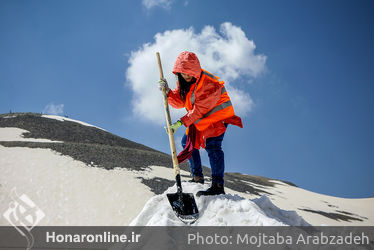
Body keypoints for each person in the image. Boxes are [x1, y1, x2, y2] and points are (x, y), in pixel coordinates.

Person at [158, 51, 243, 196]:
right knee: (187, 142)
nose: (187, 76)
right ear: (179, 72)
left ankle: (217, 185)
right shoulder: (184, 81)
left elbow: (199, 110)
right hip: (202, 118)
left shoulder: (208, 82)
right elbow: (180, 101)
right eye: (184, 73)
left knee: (213, 145)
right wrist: (168, 92)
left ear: (195, 70)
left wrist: (180, 123)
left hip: (218, 117)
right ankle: (197, 177)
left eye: (190, 73)